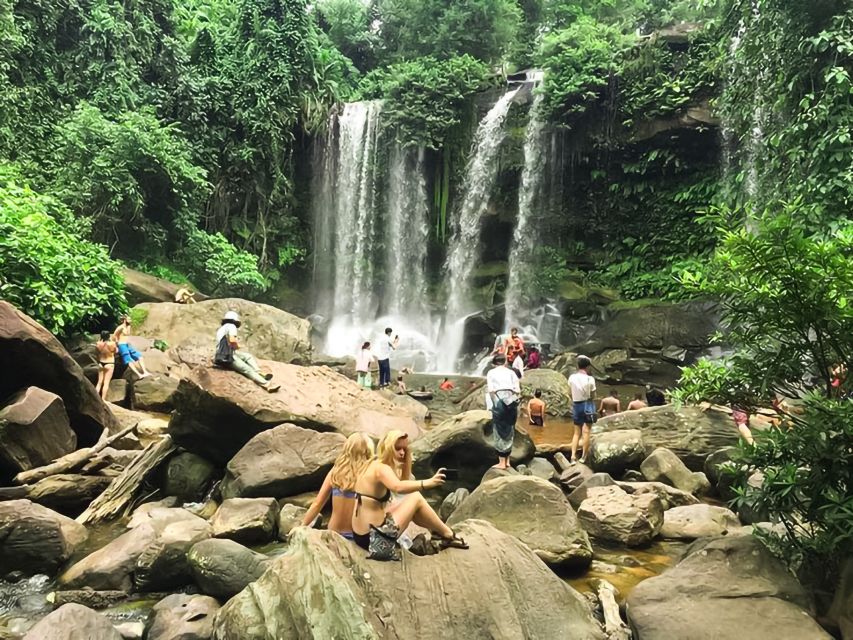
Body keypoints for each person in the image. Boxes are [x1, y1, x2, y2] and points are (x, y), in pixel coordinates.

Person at [351, 439, 468, 556]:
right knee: (415, 497)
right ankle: (448, 534)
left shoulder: (368, 467)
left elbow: (403, 482)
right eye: (397, 449)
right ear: (387, 448)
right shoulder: (381, 469)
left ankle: (437, 532)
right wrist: (428, 483)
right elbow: (398, 486)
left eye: (404, 450)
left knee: (409, 503)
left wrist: (407, 460)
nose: (402, 453)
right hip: (375, 541)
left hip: (361, 538)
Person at [301, 433, 375, 538]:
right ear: (368, 451)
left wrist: (302, 526)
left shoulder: (335, 471)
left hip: (333, 534)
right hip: (356, 536)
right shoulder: (369, 474)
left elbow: (317, 504)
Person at [214, 311, 280, 392]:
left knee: (247, 356)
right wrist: (237, 346)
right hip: (227, 356)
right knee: (246, 369)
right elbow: (232, 340)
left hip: (224, 353)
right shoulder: (231, 326)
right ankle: (266, 384)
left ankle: (259, 373)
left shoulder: (222, 328)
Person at [486, 355, 521, 470]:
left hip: (499, 399)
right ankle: (508, 461)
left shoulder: (491, 372)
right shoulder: (511, 373)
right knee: (510, 427)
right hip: (511, 399)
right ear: (505, 362)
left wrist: (493, 404)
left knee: (499, 429)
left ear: (494, 363)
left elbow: (491, 390)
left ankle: (501, 462)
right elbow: (517, 390)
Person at [568, 355, 596, 464]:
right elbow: (593, 395)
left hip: (576, 404)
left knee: (576, 433)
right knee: (586, 432)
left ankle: (573, 457)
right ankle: (584, 457)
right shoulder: (590, 379)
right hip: (588, 405)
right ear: (588, 366)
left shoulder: (572, 378)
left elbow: (569, 392)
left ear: (577, 365)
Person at [94, 330, 117, 401]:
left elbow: (97, 352)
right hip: (109, 363)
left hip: (101, 363)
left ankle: (96, 399)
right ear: (108, 336)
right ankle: (103, 399)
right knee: (106, 383)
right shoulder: (112, 344)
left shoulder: (98, 344)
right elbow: (116, 351)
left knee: (99, 382)